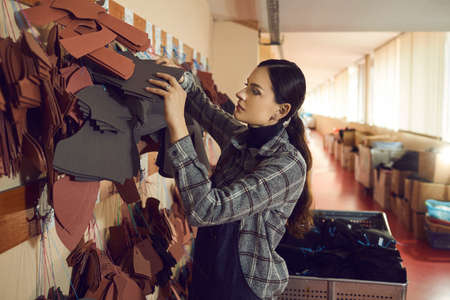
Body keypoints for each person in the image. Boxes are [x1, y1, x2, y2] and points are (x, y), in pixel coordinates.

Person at [146, 58, 313, 300]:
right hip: (208, 266)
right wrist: (181, 77)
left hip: (242, 286)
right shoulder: (242, 137)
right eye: (247, 85)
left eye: (254, 91)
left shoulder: (287, 166)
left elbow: (206, 209)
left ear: (281, 110)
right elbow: (202, 107)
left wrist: (177, 125)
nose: (240, 94)